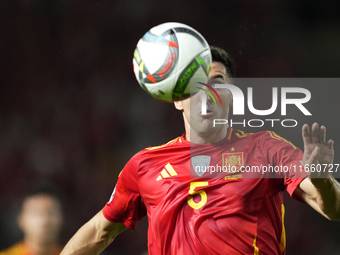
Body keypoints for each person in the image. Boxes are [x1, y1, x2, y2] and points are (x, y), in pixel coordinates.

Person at [60, 46, 340, 255]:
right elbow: (99, 232)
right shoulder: (144, 165)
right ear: (178, 101)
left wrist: (321, 179)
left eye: (217, 83)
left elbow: (334, 210)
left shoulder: (266, 149)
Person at [0, 186, 63, 255]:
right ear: (21, 220)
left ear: (61, 218)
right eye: (36, 213)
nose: (44, 221)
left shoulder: (73, 252)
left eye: (50, 212)